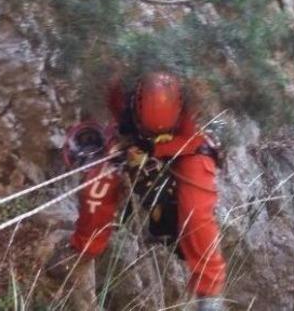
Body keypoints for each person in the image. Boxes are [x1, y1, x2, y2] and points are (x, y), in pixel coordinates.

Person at [54, 72, 227, 311]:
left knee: (197, 214)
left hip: (185, 144)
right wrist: (126, 146)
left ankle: (209, 295)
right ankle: (83, 251)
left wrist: (154, 147)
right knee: (98, 187)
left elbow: (194, 141)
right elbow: (108, 114)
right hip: (130, 136)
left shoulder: (191, 99)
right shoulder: (120, 89)